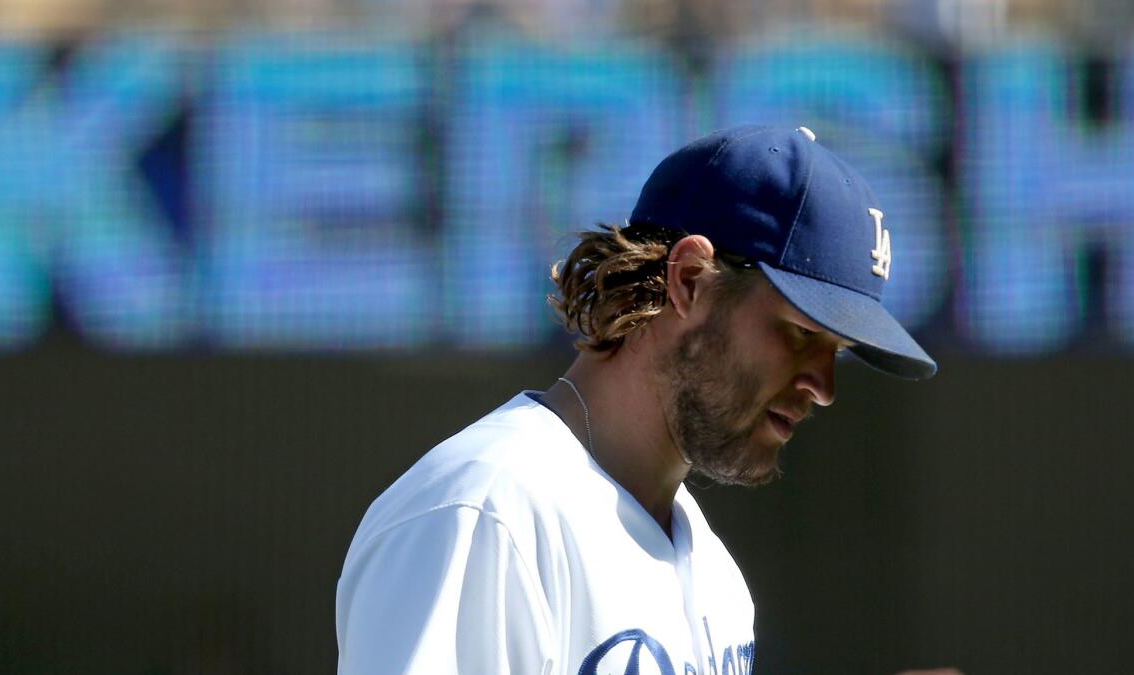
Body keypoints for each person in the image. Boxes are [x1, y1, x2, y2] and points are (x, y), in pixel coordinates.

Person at [336, 125, 948, 674]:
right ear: (689, 281)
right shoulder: (485, 513)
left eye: (836, 350)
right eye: (802, 332)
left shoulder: (714, 572)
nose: (824, 385)